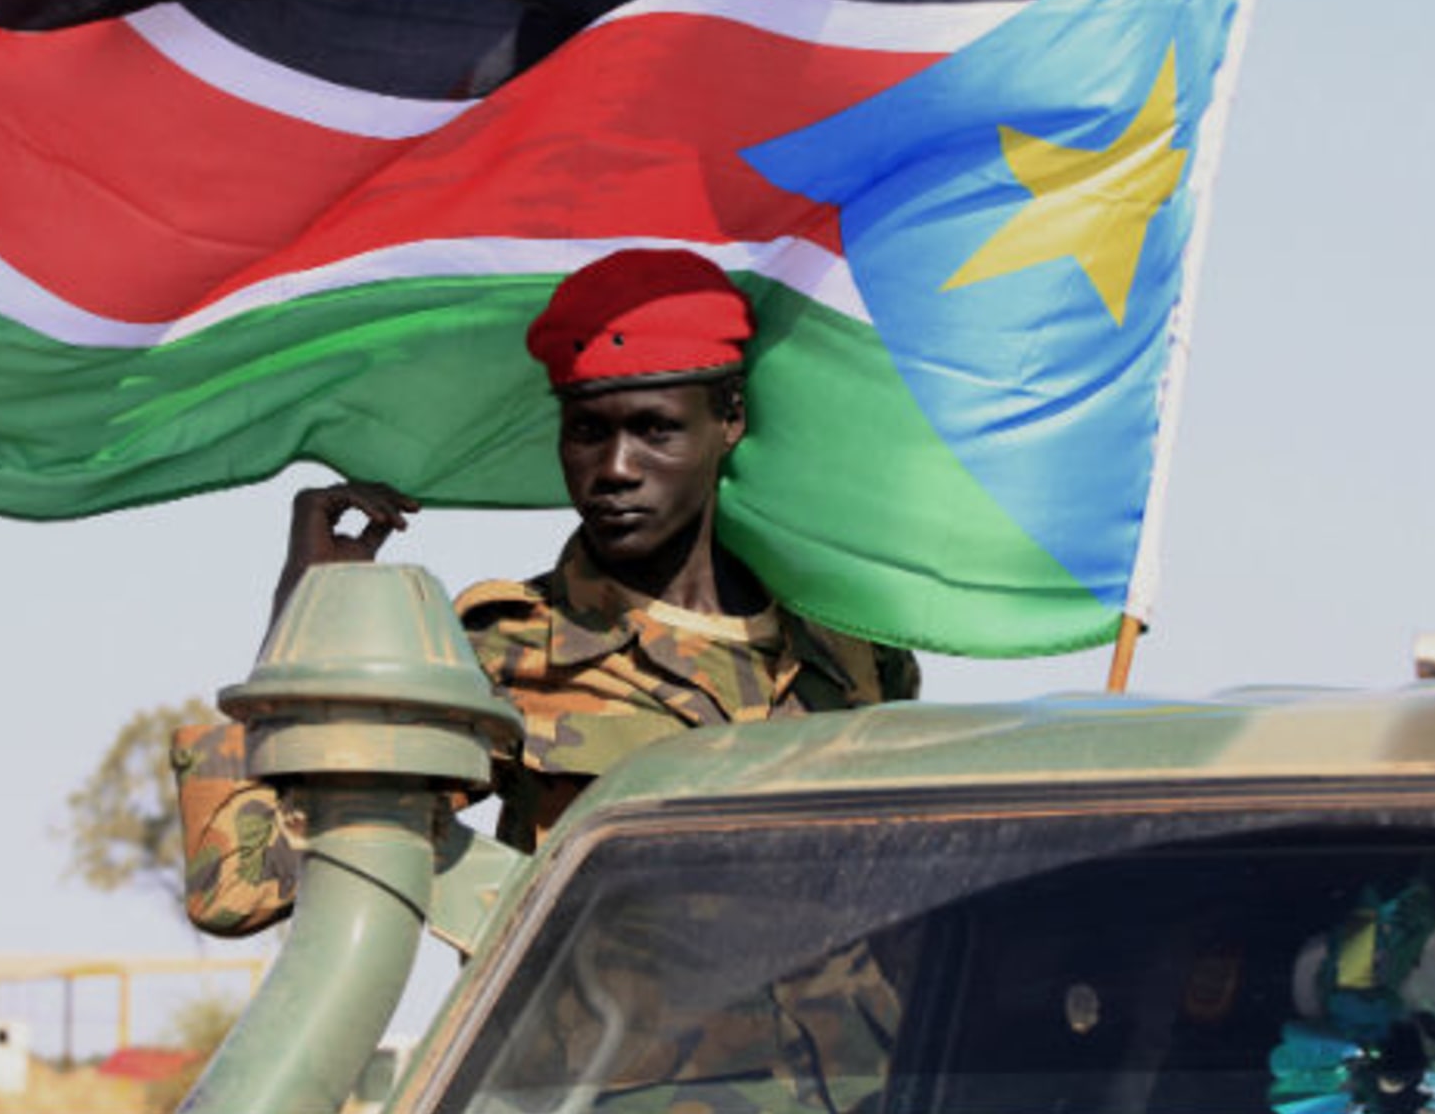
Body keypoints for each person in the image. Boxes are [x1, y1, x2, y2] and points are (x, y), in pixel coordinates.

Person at [177, 248, 919, 935]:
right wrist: (307, 631)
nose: (616, 467)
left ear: (729, 420)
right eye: (588, 431)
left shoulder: (848, 643)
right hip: (608, 1080)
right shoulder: (500, 653)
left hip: (861, 1079)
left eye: (655, 431)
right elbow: (235, 889)